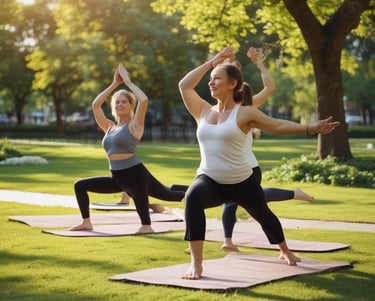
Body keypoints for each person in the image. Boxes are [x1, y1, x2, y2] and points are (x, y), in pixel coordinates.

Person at [179, 47, 339, 279]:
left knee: (262, 214)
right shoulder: (202, 110)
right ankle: (197, 264)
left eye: (217, 79)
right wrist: (212, 62)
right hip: (209, 178)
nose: (211, 83)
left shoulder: (244, 113)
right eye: (211, 79)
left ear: (233, 84)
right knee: (192, 198)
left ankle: (285, 250)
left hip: (241, 179)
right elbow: (184, 85)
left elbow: (278, 125)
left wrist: (310, 128)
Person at [70, 63, 186, 233]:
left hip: (135, 173)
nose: (120, 104)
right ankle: (86, 222)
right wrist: (115, 84)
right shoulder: (109, 127)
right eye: (117, 102)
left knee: (169, 195)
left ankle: (148, 225)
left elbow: (144, 100)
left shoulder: (135, 125)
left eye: (124, 101)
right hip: (117, 177)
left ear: (131, 105)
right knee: (80, 185)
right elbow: (95, 105)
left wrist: (128, 82)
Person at [221, 47, 313, 252]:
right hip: (230, 166)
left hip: (248, 167)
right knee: (236, 201)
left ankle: (292, 195)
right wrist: (224, 60)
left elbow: (270, 88)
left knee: (254, 204)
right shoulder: (219, 108)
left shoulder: (249, 108)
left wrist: (259, 63)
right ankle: (227, 241)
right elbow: (217, 77)